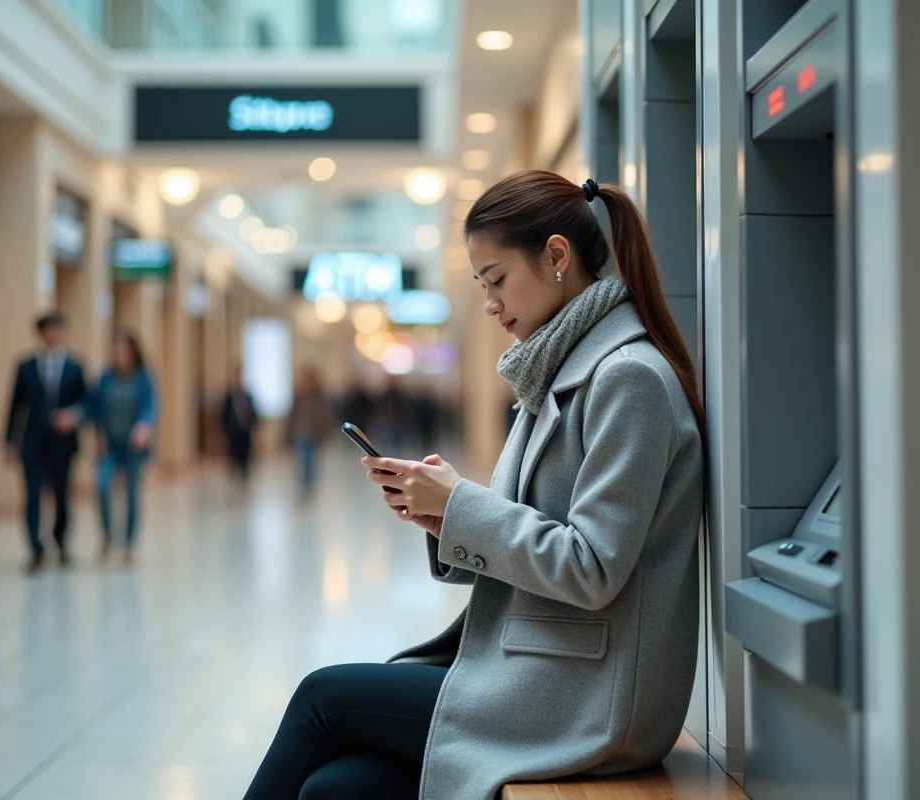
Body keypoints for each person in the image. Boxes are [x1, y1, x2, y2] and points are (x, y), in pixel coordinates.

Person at [243, 171, 706, 799]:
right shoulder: (555, 374)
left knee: (322, 696)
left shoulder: (628, 380)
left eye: (496, 279)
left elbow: (593, 567)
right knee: (333, 788)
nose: (490, 303)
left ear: (556, 257)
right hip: (538, 665)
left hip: (592, 695)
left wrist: (463, 504)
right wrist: (443, 517)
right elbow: (530, 535)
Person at [4, 311, 87, 573]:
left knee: (61, 495)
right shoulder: (25, 366)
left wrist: (73, 415)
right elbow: (15, 405)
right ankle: (35, 548)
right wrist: (9, 440)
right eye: (48, 330)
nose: (53, 334)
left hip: (62, 442)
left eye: (58, 329)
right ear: (40, 334)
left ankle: (60, 541)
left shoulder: (75, 366)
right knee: (32, 495)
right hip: (32, 440)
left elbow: (85, 401)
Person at [85, 331, 157, 567]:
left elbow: (150, 408)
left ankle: (128, 544)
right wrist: (97, 431)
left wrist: (143, 426)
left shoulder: (143, 378)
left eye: (124, 351)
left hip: (133, 446)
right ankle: (107, 535)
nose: (120, 356)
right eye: (116, 351)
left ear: (134, 352)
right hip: (109, 445)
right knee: (103, 488)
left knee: (132, 495)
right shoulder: (106, 378)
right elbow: (93, 407)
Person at [286, 368, 330, 497]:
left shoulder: (318, 397)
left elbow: (324, 416)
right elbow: (292, 416)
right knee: (302, 460)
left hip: (313, 434)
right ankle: (303, 485)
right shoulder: (298, 396)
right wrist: (288, 433)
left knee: (312, 461)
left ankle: (310, 485)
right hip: (300, 433)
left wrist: (323, 432)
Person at [220, 365, 257, 481]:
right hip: (234, 428)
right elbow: (225, 413)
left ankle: (244, 470)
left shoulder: (247, 394)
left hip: (245, 427)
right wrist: (224, 428)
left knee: (245, 450)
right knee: (234, 450)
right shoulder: (230, 395)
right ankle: (235, 469)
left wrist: (254, 423)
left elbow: (253, 411)